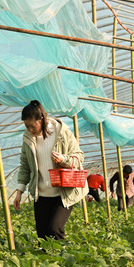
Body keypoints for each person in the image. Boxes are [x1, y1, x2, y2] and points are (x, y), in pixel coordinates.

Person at [13, 100, 85, 240]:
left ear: (41, 119)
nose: (29, 129)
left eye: (32, 126)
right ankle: (47, 261)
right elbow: (25, 165)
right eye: (26, 126)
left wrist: (63, 159)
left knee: (55, 230)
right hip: (42, 195)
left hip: (63, 193)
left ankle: (64, 260)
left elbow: (79, 157)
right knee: (42, 236)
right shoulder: (28, 138)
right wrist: (19, 191)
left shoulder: (62, 133)